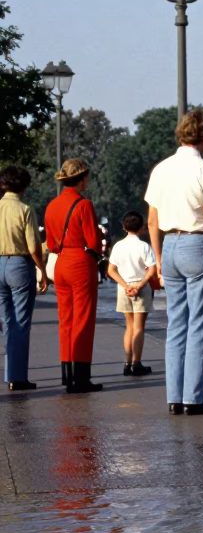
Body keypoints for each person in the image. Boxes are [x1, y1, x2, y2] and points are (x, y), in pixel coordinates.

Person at [145, 109, 203, 416]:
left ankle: (174, 397)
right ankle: (193, 398)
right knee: (200, 325)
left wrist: (157, 258)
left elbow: (152, 219)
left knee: (176, 324)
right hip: (198, 243)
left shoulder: (161, 169)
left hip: (169, 245)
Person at [44, 158, 104, 393]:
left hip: (61, 263)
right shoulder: (84, 204)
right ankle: (81, 377)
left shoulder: (51, 206)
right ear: (81, 179)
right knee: (83, 320)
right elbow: (93, 242)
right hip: (80, 262)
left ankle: (67, 373)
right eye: (86, 176)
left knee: (66, 320)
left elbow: (50, 242)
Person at [0, 165, 48, 391]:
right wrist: (43, 272)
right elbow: (33, 246)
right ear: (25, 187)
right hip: (19, 265)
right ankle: (17, 377)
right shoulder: (25, 209)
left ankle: (9, 374)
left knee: (7, 322)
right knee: (21, 323)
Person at [106, 210, 157, 377]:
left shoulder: (118, 246)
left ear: (123, 227)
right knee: (139, 327)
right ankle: (137, 363)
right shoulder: (144, 246)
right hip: (141, 288)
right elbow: (152, 269)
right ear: (142, 228)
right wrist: (140, 284)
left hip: (124, 288)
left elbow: (111, 270)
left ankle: (127, 363)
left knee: (128, 326)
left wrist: (126, 285)